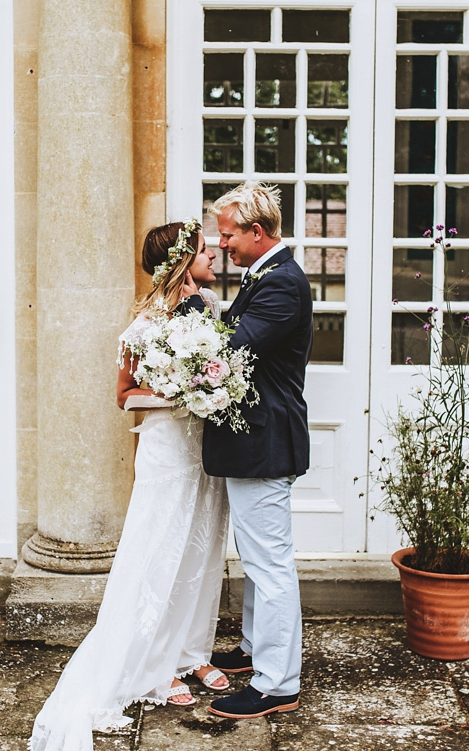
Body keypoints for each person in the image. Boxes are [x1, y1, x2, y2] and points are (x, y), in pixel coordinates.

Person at [29, 220, 231, 751]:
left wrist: (212, 389)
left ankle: (194, 654)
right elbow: (125, 395)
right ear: (183, 259)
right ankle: (157, 665)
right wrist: (179, 396)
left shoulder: (210, 307)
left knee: (201, 550)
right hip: (167, 449)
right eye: (205, 250)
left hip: (203, 449)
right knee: (160, 551)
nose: (215, 257)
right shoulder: (145, 321)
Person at [202, 182, 313, 719]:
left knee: (270, 565)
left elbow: (232, 345)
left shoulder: (283, 285)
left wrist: (185, 321)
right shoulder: (263, 275)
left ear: (256, 232)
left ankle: (277, 683)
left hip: (265, 440)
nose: (220, 244)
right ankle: (252, 651)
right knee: (257, 558)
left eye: (226, 235)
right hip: (253, 441)